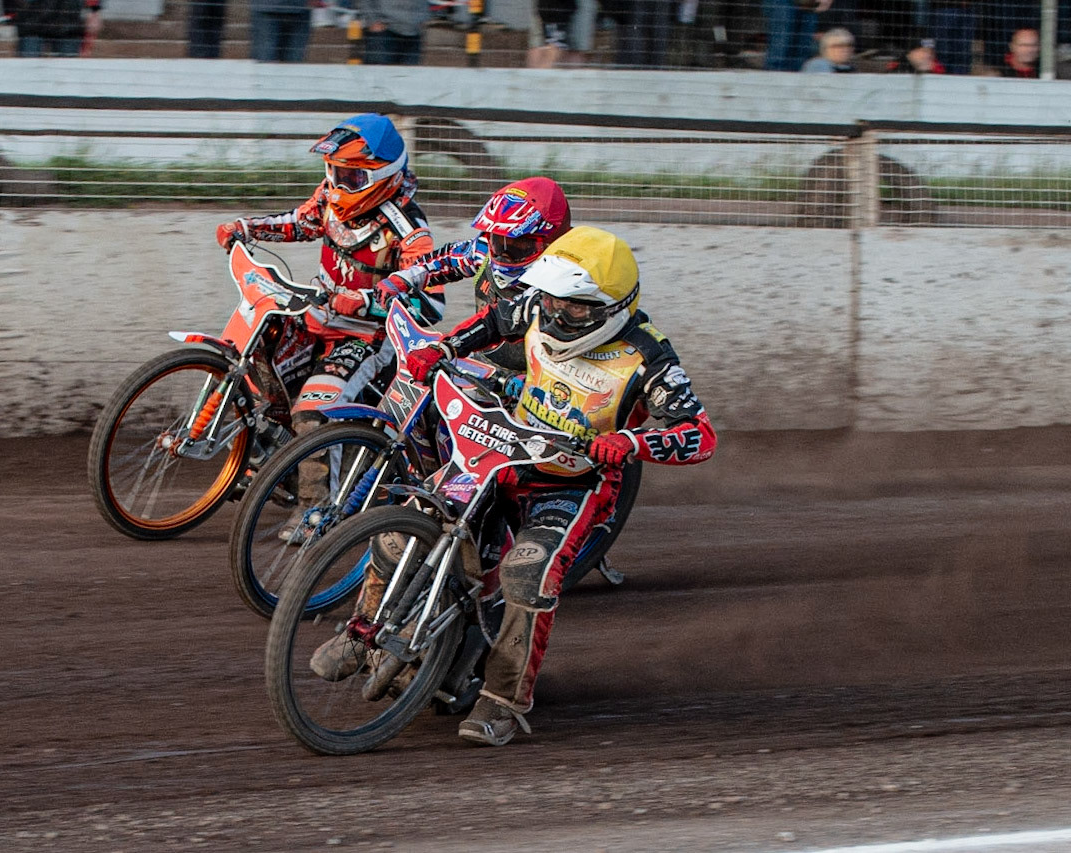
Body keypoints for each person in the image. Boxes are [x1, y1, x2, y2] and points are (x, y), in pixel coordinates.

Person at [315, 226, 718, 746]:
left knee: (527, 573)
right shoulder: (537, 305)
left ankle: (504, 701)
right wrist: (445, 348)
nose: (551, 313)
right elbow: (492, 320)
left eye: (571, 307)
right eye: (548, 299)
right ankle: (361, 632)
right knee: (400, 530)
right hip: (504, 447)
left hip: (573, 482)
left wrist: (632, 443)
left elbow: (700, 435)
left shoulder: (649, 357)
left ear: (610, 308)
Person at [215, 114, 438, 531]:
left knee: (312, 414)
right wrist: (247, 226)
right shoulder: (330, 197)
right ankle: (274, 460)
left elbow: (429, 305)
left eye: (352, 177)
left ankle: (318, 510)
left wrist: (367, 301)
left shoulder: (409, 229)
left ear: (384, 176)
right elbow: (300, 222)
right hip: (316, 313)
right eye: (334, 172)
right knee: (253, 361)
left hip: (369, 337)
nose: (339, 185)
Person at [372, 176, 573, 371]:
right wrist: (406, 277)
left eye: (519, 245)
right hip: (482, 362)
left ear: (551, 243)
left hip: (541, 378)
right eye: (498, 240)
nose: (504, 253)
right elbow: (449, 259)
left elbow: (498, 319)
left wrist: (448, 346)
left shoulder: (565, 280)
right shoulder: (484, 249)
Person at [5, 0, 101, 57]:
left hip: (68, 21)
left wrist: (94, 10)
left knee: (67, 75)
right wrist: (10, 12)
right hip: (31, 20)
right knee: (27, 70)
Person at [764, 0, 831, 71]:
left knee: (802, 50)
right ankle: (775, 78)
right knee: (781, 47)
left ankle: (795, 77)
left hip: (809, 4)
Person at [357, 0, 429, 65]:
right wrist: (372, 20)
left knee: (409, 76)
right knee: (378, 74)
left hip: (413, 32)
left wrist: (422, 18)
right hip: (384, 31)